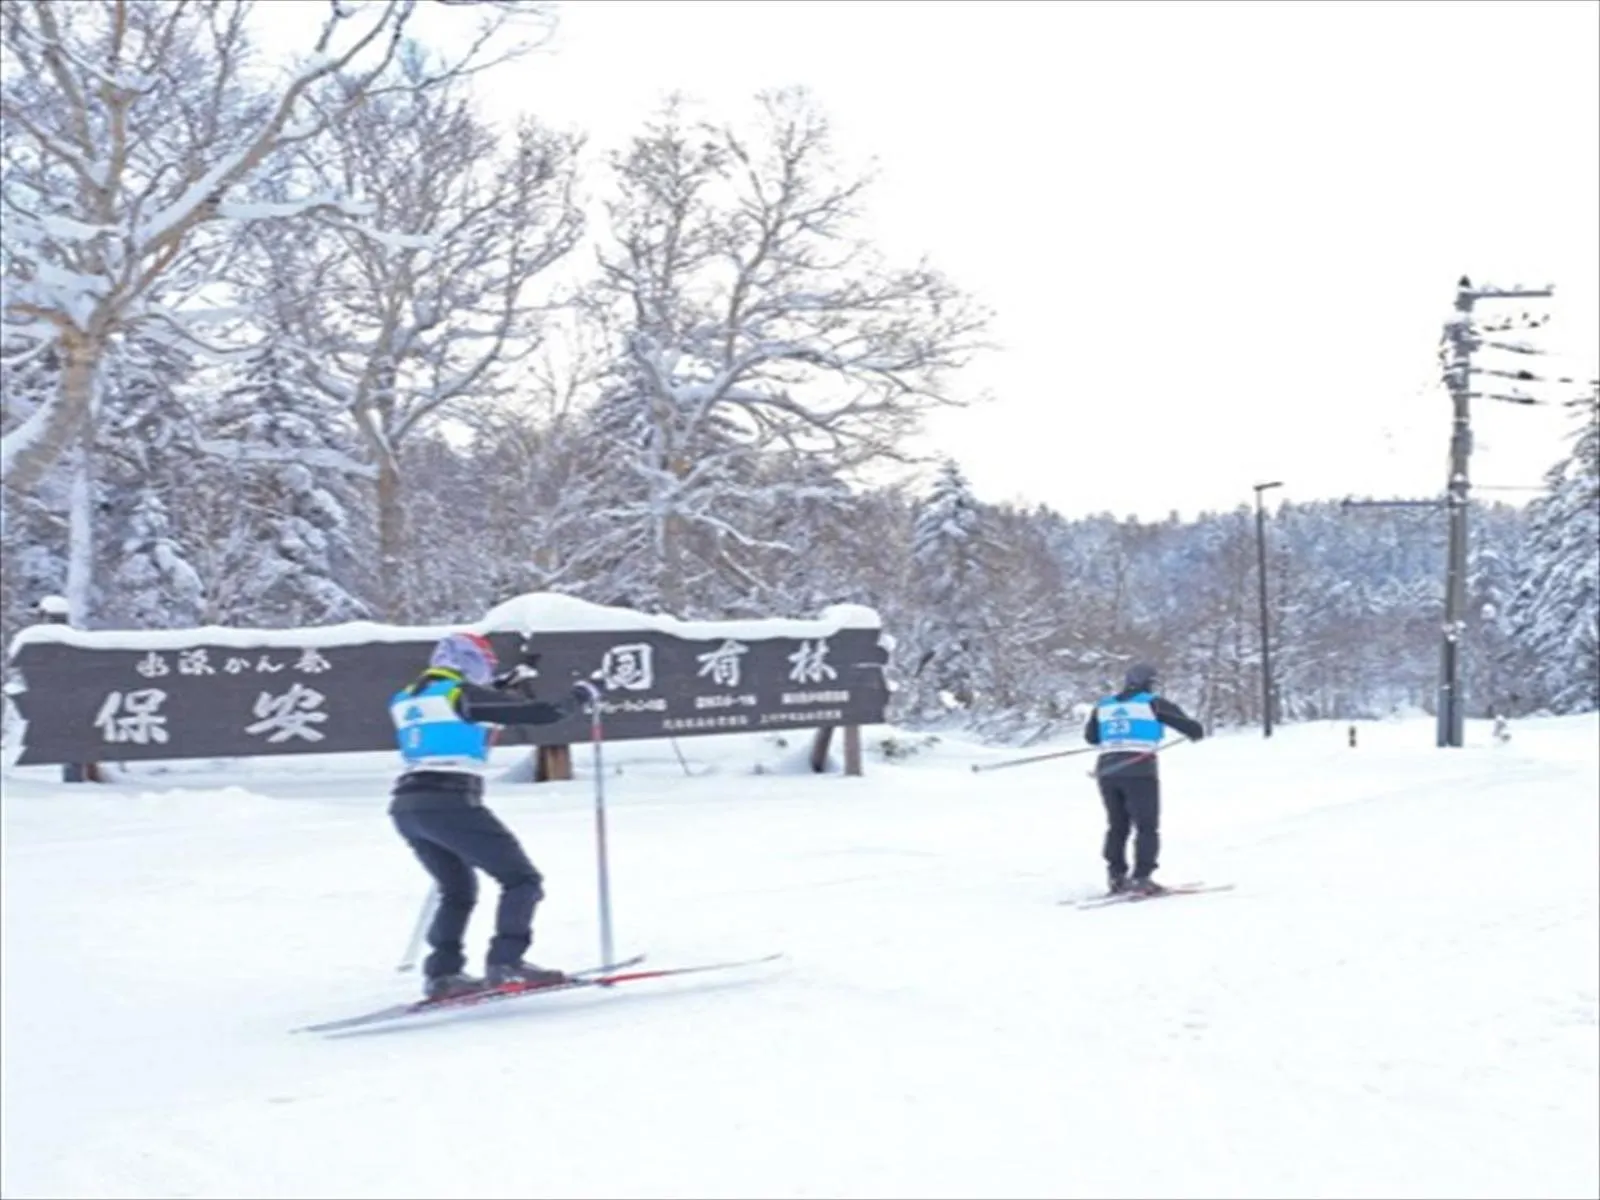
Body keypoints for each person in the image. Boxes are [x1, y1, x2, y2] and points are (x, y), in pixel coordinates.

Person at [388, 631, 602, 1000]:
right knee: (521, 880)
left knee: (457, 890)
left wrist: (504, 687)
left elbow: (469, 710)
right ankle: (507, 962)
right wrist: (581, 695)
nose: (488, 671)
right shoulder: (461, 696)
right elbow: (541, 714)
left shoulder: (408, 696)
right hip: (451, 800)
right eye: (484, 664)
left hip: (409, 804)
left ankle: (443, 972)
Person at [1082, 662, 1204, 896]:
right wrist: (1196, 732)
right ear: (1149, 683)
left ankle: (1116, 876)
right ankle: (1142, 877)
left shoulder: (1103, 706)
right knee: (1146, 826)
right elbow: (1191, 728)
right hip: (1139, 770)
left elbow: (1091, 737)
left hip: (1107, 771)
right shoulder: (1152, 702)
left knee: (1117, 826)